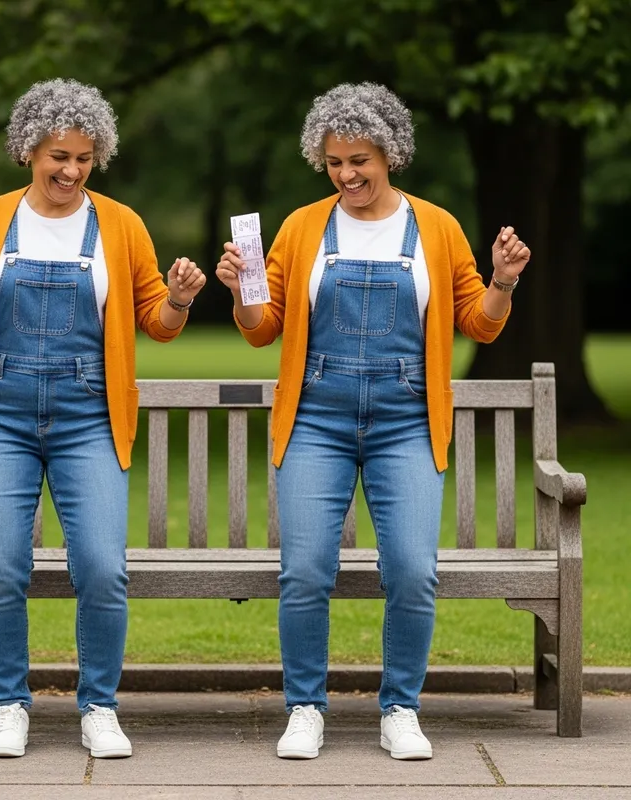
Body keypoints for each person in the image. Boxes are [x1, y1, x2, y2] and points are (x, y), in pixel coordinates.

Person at [216, 82, 530, 761]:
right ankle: (304, 706)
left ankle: (402, 708)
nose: (347, 174)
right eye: (333, 162)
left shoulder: (437, 228)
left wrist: (501, 281)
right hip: (316, 418)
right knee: (304, 570)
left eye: (360, 160)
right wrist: (241, 289)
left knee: (414, 570)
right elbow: (260, 330)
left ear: (391, 152)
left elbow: (478, 322)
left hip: (406, 420)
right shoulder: (302, 228)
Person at [0, 78, 206, 759]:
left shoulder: (121, 226)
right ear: (28, 149)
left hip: (88, 418)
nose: (70, 170)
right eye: (58, 156)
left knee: (101, 566)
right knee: (0, 568)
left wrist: (181, 300)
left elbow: (157, 323)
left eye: (84, 158)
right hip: (1, 417)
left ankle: (99, 706)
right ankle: (9, 705)